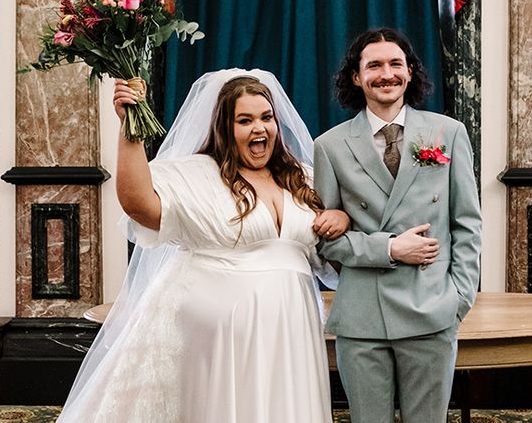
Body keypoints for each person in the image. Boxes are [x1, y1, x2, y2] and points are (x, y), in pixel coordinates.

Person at [57, 68, 349, 423]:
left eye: (266, 117)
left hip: (293, 327)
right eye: (245, 120)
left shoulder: (303, 177)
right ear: (225, 129)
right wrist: (128, 128)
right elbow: (140, 205)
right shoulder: (198, 174)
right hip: (220, 337)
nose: (259, 128)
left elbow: (334, 236)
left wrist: (342, 219)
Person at [313, 27, 482, 423]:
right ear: (356, 77)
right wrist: (389, 249)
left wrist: (457, 299)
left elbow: (467, 224)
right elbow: (325, 241)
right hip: (362, 316)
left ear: (409, 72)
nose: (385, 73)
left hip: (432, 308)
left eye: (395, 64)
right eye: (373, 65)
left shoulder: (447, 133)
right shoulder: (330, 146)